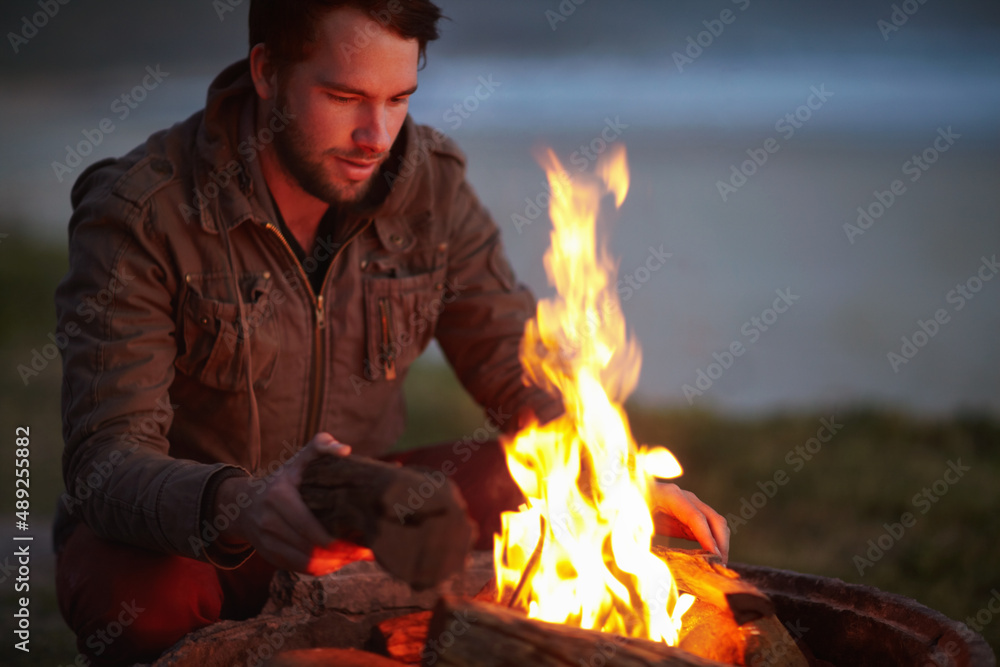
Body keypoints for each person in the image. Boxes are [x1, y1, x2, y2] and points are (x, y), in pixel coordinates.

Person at [53, 1, 730, 664]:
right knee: (139, 595)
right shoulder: (142, 214)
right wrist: (242, 505)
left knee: (528, 478)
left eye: (399, 97)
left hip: (362, 515)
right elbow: (106, 463)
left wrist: (612, 477)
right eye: (344, 96)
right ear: (266, 71)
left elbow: (512, 358)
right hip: (203, 536)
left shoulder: (428, 186)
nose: (376, 135)